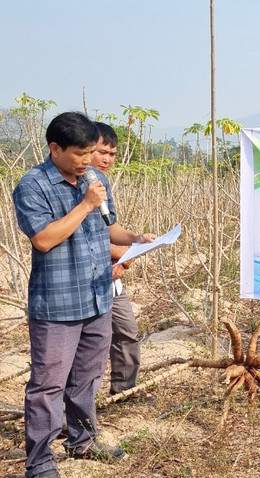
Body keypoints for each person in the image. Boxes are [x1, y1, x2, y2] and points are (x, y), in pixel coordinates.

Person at [13, 112, 155, 478]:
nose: (88, 160)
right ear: (55, 149)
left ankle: (83, 442)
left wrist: (137, 237)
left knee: (88, 377)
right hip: (58, 304)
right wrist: (85, 205)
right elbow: (43, 238)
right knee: (48, 384)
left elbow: (108, 228)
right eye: (81, 153)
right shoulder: (34, 186)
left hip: (98, 298)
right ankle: (39, 460)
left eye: (92, 152)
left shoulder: (96, 179)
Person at [92, 122, 140, 395]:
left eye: (112, 154)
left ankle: (124, 390)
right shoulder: (71, 185)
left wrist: (127, 251)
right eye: (102, 152)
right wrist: (120, 254)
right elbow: (80, 235)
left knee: (126, 333)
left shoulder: (103, 183)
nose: (107, 159)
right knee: (91, 346)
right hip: (85, 282)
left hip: (112, 279)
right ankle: (74, 412)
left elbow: (110, 229)